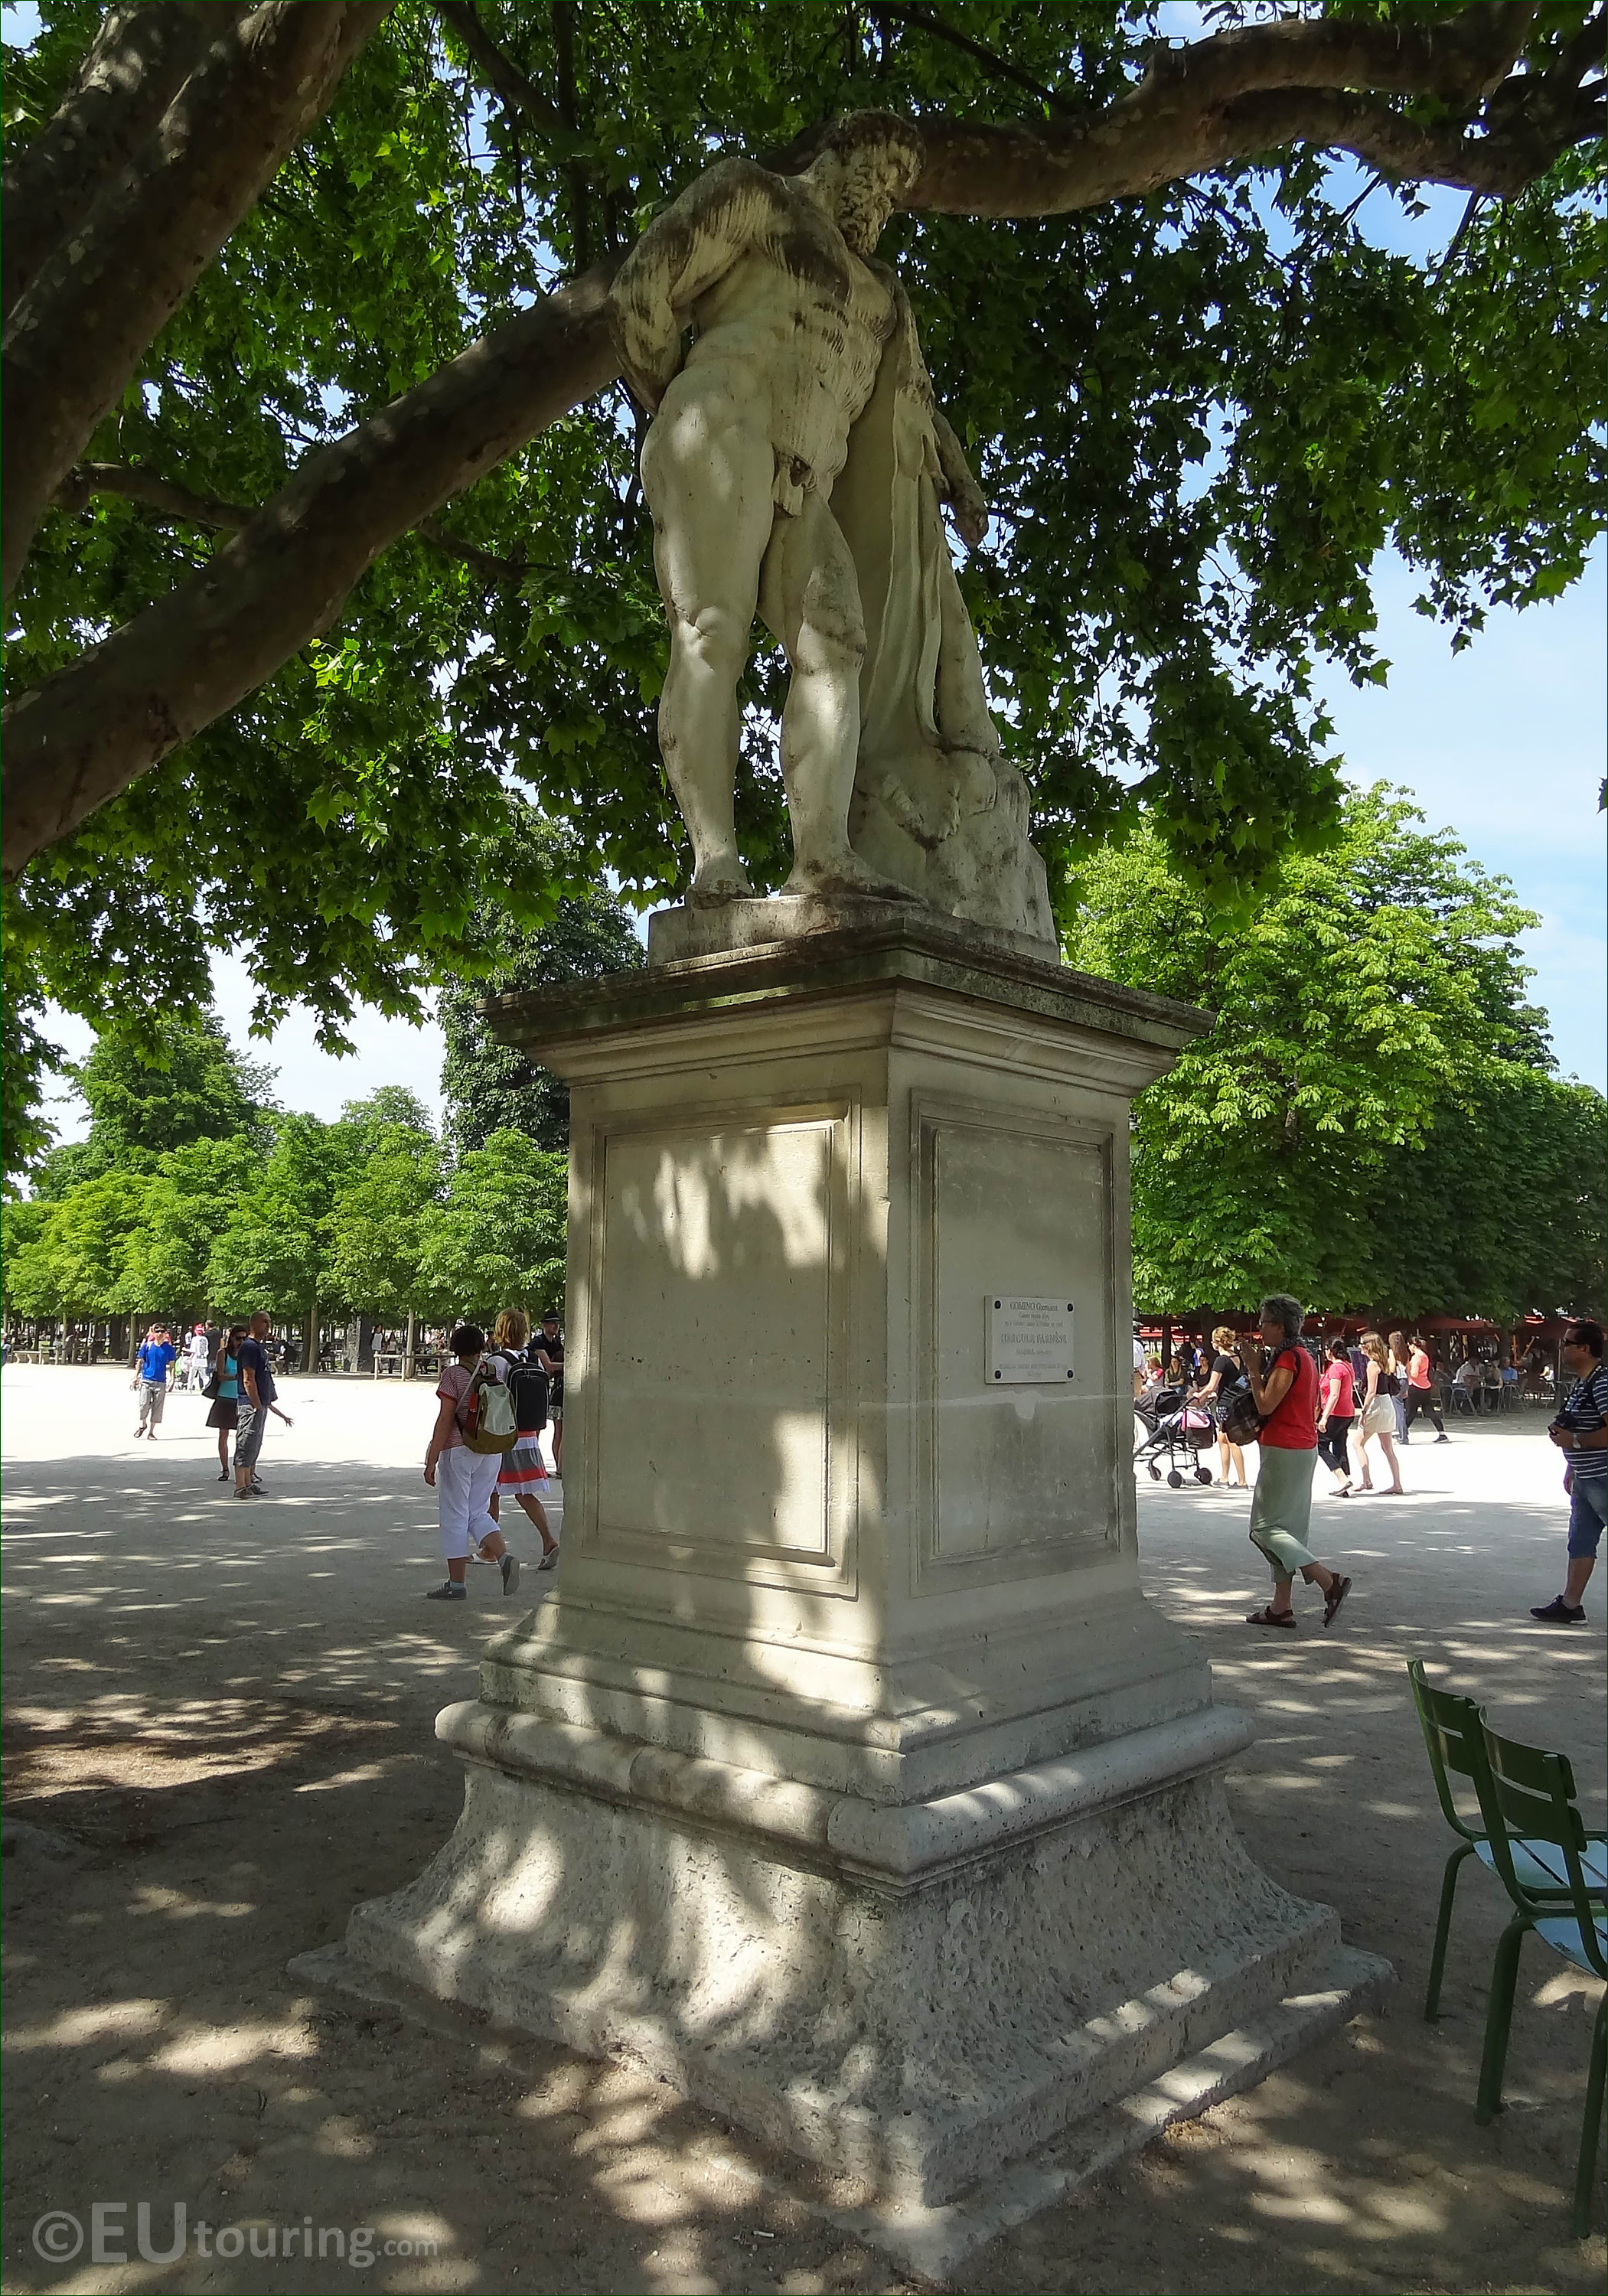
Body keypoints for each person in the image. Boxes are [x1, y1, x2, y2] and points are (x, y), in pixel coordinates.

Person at [1235, 1294, 1352, 1630]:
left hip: (1284, 1449)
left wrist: (1254, 1369)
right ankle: (1281, 1607)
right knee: (1288, 1530)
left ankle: (1329, 1581)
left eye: (1263, 1322)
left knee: (1264, 1528)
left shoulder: (1287, 1358)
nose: (1259, 1328)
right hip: (1303, 1448)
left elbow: (1267, 1405)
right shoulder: (1306, 1355)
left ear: (1279, 1325)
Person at [423, 1323, 520, 1601]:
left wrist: (432, 1460)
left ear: (455, 1348)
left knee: (454, 1513)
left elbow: (446, 1419)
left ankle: (456, 1584)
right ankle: (503, 1557)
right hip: (491, 1449)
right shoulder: (494, 1371)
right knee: (478, 1511)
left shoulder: (452, 1375)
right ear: (480, 1346)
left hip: (460, 1449)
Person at [1531, 1319, 1607, 1626]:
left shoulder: (1602, 1383)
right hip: (1586, 1477)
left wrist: (1574, 1441)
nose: (1562, 1349)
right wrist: (1571, 1466)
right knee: (1580, 1541)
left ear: (1585, 1348)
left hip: (1603, 1476)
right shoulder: (1583, 1383)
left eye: (1567, 1343)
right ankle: (1571, 1604)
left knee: (1582, 1539)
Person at [485, 1309, 559, 1570]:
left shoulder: (497, 1361)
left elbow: (488, 1398)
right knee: (525, 1493)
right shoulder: (533, 1358)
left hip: (502, 1434)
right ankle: (549, 1540)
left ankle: (489, 1549)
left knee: (491, 1490)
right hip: (528, 1434)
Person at [234, 1313, 292, 1497]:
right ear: (254, 1324)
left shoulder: (260, 1348)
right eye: (264, 1322)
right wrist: (256, 1404)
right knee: (245, 1442)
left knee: (254, 1444)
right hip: (250, 1404)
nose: (268, 1325)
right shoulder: (249, 1347)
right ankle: (240, 1486)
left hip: (262, 1404)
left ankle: (249, 1482)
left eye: (270, 1322)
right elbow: (248, 1379)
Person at [1346, 1331, 1404, 1495]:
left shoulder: (1372, 1364)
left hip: (1377, 1404)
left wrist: (1364, 1412)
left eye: (1362, 1344)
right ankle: (1397, 1483)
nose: (1359, 1347)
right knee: (1388, 1449)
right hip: (1387, 1404)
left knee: (1357, 1443)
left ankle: (1366, 1480)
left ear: (1368, 1346)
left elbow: (1371, 1392)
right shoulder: (1384, 1362)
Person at [1198, 1325, 1249, 1490]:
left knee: (1231, 1440)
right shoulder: (1237, 1357)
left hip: (1226, 1404)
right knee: (1222, 1439)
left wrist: (1201, 1395)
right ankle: (1224, 1477)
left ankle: (1242, 1481)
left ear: (1216, 1343)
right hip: (1237, 1401)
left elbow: (1212, 1385)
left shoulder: (1221, 1360)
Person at [206, 1323, 246, 1480]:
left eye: (244, 1339)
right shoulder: (223, 1353)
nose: (241, 1342)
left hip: (242, 1398)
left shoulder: (246, 1354)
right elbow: (220, 1375)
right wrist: (237, 1377)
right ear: (232, 1339)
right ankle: (225, 1469)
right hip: (225, 1398)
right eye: (238, 1339)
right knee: (223, 1435)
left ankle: (244, 1470)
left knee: (243, 1437)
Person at [1316, 1339, 1356, 1491]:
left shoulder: (1335, 1368)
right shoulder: (1348, 1366)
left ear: (1330, 1350)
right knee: (1340, 1445)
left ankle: (1341, 1477)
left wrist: (1324, 1417)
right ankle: (1345, 1479)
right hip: (1347, 1411)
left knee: (1321, 1444)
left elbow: (1334, 1394)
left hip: (1335, 1412)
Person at [534, 1309, 565, 1476]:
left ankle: (558, 1467)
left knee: (556, 1430)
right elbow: (549, 1365)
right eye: (552, 1322)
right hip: (536, 1387)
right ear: (544, 1325)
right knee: (536, 1428)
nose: (556, 1326)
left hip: (549, 1387)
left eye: (557, 1323)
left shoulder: (557, 1343)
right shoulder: (538, 1342)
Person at [132, 1324, 176, 1437]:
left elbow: (172, 1365)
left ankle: (151, 1432)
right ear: (153, 1333)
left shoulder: (169, 1349)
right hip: (146, 1379)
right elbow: (140, 1361)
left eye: (162, 1331)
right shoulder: (147, 1346)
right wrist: (135, 1376)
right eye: (157, 1331)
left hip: (161, 1381)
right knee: (143, 1404)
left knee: (157, 1408)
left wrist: (173, 1379)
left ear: (166, 1333)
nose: (159, 1334)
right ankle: (143, 1425)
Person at [1402, 1333, 1447, 1443]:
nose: (1409, 1348)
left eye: (1409, 1346)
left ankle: (1402, 1432)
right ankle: (1442, 1433)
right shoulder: (1425, 1356)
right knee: (1429, 1410)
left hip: (1416, 1386)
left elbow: (1414, 1373)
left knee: (1410, 1412)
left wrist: (1407, 1369)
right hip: (1425, 1386)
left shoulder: (1416, 1357)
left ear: (1413, 1345)